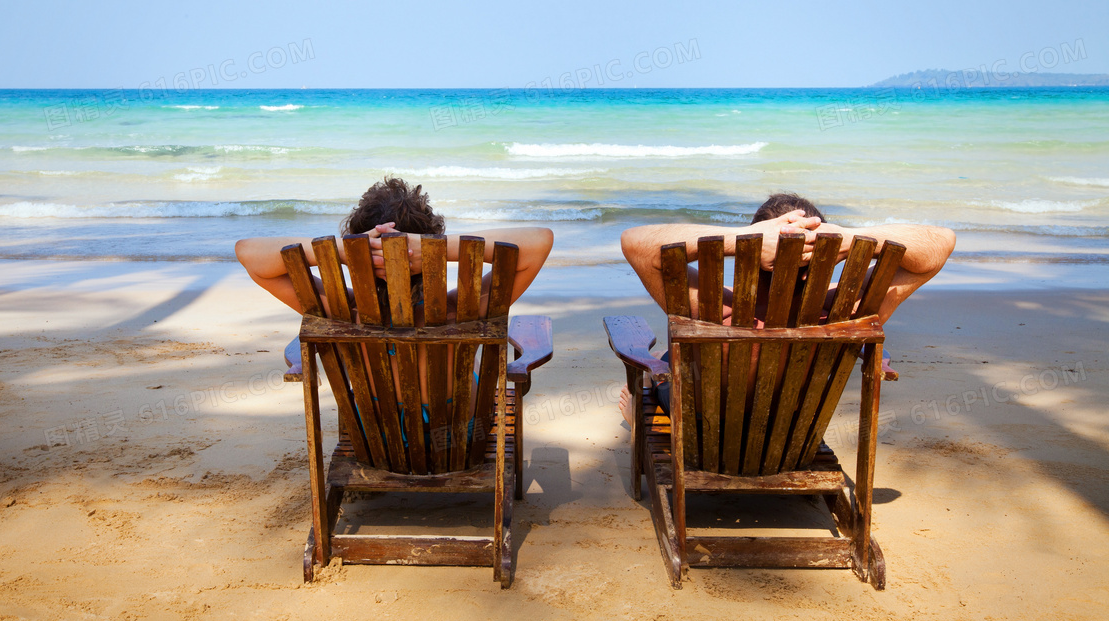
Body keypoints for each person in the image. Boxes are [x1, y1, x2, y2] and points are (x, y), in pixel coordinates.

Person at [617, 192, 956, 417]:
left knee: (662, 364)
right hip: (795, 431)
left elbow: (635, 243)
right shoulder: (846, 311)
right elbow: (941, 243)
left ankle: (638, 416)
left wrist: (739, 240)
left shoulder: (713, 312)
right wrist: (851, 237)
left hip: (707, 425)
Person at [235, 176, 553, 407]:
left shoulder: (339, 311)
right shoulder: (462, 311)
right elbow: (539, 242)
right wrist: (437, 250)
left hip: (376, 446)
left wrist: (347, 252)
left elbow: (249, 254)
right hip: (461, 442)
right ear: (430, 240)